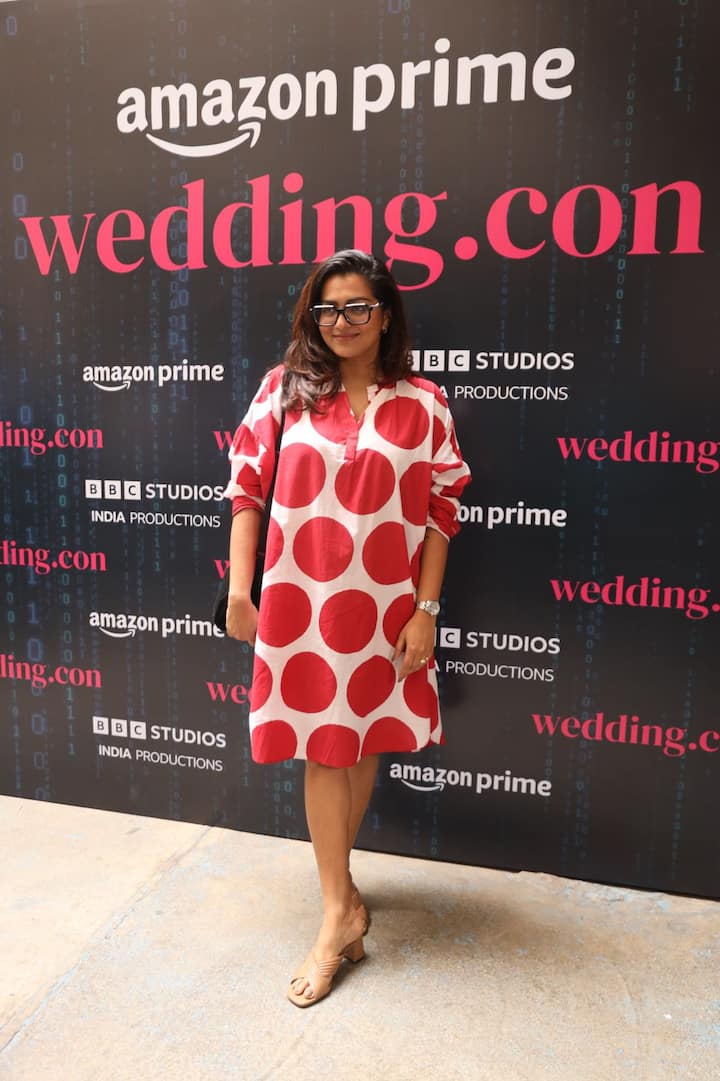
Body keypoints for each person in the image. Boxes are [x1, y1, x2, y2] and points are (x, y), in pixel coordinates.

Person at [223, 249, 471, 1006]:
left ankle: (346, 899)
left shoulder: (424, 402)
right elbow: (246, 487)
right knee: (326, 751)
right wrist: (240, 589)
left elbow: (443, 506)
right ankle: (338, 912)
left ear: (385, 312)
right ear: (312, 317)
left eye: (357, 306)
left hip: (387, 608)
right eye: (327, 309)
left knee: (357, 743)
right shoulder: (283, 391)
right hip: (301, 606)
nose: (341, 322)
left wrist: (426, 610)